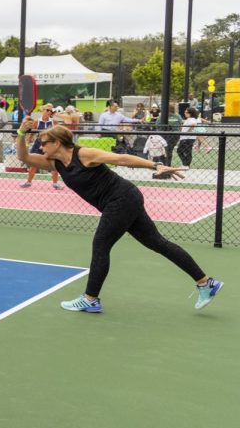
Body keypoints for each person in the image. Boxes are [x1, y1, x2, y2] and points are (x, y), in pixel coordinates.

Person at [15, 119, 222, 313]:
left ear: (58, 143)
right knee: (157, 243)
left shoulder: (84, 154)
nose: (41, 147)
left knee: (101, 245)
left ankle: (90, 299)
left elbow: (120, 159)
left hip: (121, 199)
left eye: (43, 143)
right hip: (124, 200)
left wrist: (156, 165)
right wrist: (22, 133)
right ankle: (206, 283)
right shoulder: (55, 163)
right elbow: (23, 157)